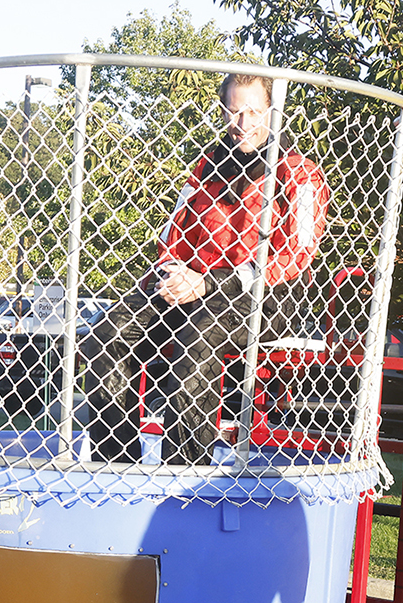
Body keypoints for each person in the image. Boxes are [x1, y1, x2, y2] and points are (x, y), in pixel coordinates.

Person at [83, 71, 330, 466]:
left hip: (261, 297)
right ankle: (115, 466)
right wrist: (172, 273)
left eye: (253, 111)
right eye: (234, 112)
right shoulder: (205, 167)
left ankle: (185, 479)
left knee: (192, 345)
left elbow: (297, 255)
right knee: (103, 336)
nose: (243, 124)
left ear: (272, 111)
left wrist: (211, 282)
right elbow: (171, 238)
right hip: (188, 286)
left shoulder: (299, 172)